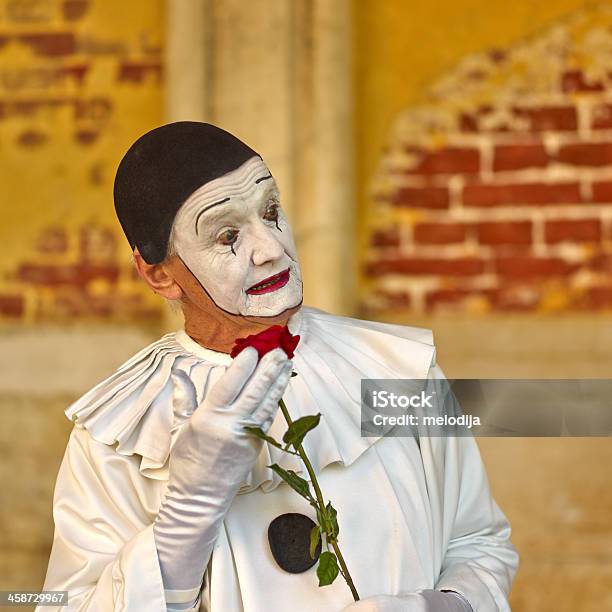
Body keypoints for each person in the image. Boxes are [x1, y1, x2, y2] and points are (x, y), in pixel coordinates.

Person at [40, 122, 518, 612]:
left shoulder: (395, 373)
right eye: (227, 235)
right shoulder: (117, 433)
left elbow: (478, 542)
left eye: (271, 212)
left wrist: (444, 606)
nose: (271, 249)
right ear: (159, 274)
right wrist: (183, 522)